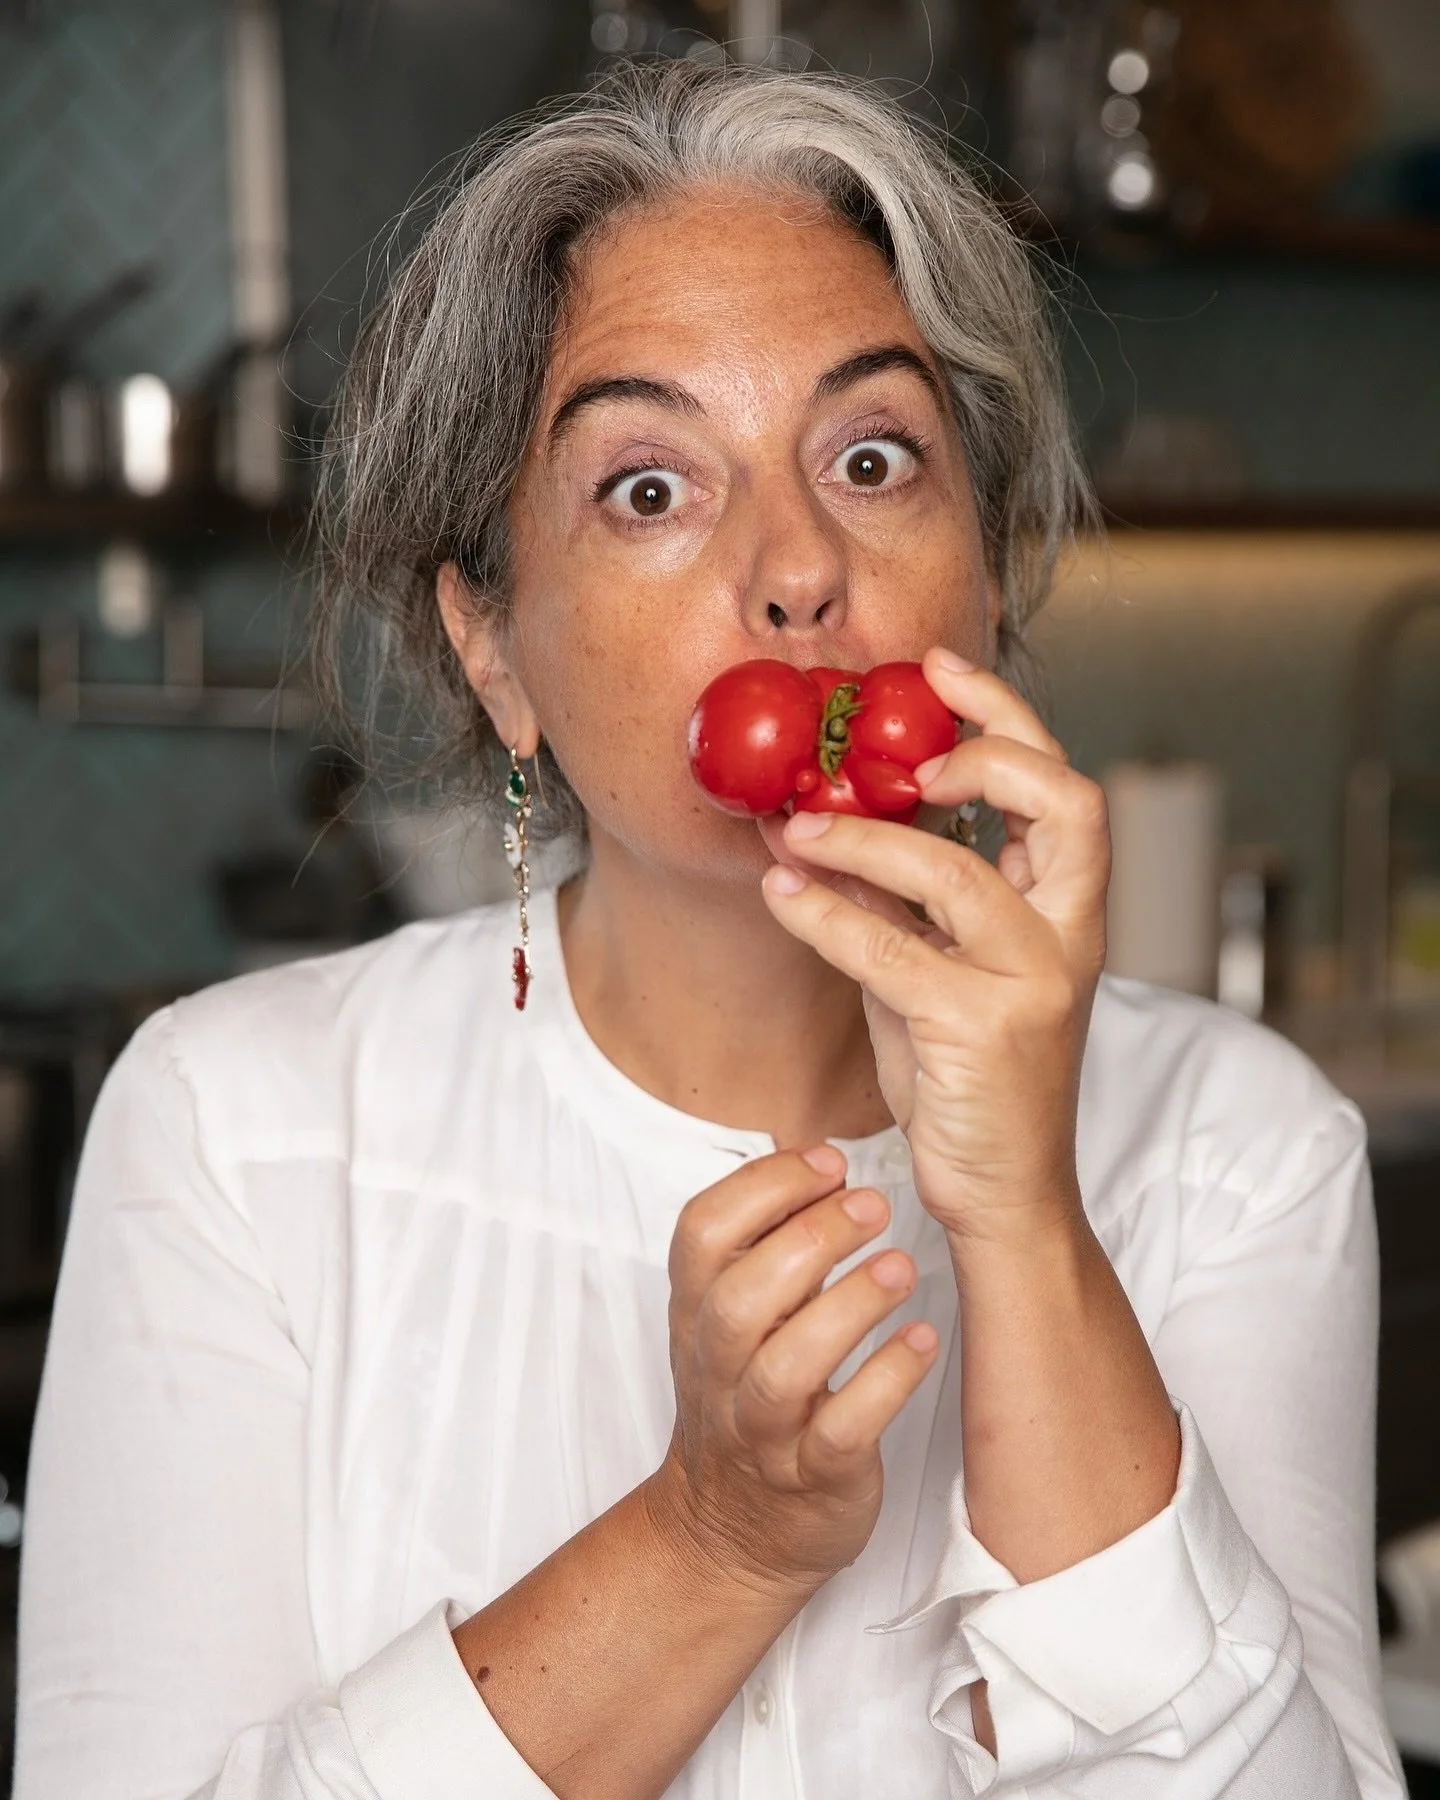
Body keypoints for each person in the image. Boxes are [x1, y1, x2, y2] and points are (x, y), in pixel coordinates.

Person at [16, 59, 1403, 1800]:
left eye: (876, 457)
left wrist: (1026, 1224)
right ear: (494, 645)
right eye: (649, 489)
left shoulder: (1231, 1149)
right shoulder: (240, 1133)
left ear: (987, 573)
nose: (797, 566)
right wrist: (715, 1535)